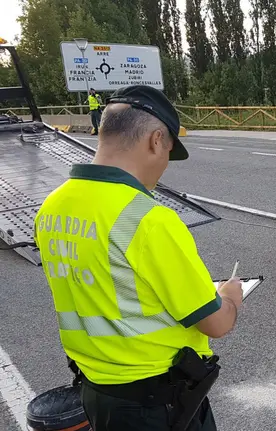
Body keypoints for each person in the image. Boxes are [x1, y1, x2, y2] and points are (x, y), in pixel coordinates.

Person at [34, 84, 243, 430]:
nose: (164, 165)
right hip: (156, 405)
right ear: (156, 140)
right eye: (168, 152)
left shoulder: (52, 207)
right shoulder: (147, 219)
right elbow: (216, 324)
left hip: (96, 394)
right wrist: (230, 296)